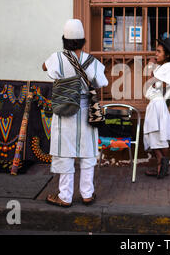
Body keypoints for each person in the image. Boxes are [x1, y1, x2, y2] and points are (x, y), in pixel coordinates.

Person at [42, 19, 108, 207]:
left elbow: (44, 67)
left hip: (65, 111)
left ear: (64, 40)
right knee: (87, 153)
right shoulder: (92, 61)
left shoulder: (57, 58)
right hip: (87, 111)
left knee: (65, 153)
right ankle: (87, 194)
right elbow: (102, 81)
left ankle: (65, 196)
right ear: (83, 40)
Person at [144, 38, 170, 179]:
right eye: (156, 51)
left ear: (167, 54)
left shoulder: (169, 66)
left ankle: (161, 164)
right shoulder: (161, 67)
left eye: (159, 51)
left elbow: (166, 84)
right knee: (157, 135)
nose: (156, 54)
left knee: (158, 136)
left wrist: (151, 72)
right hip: (156, 104)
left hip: (160, 104)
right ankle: (162, 165)